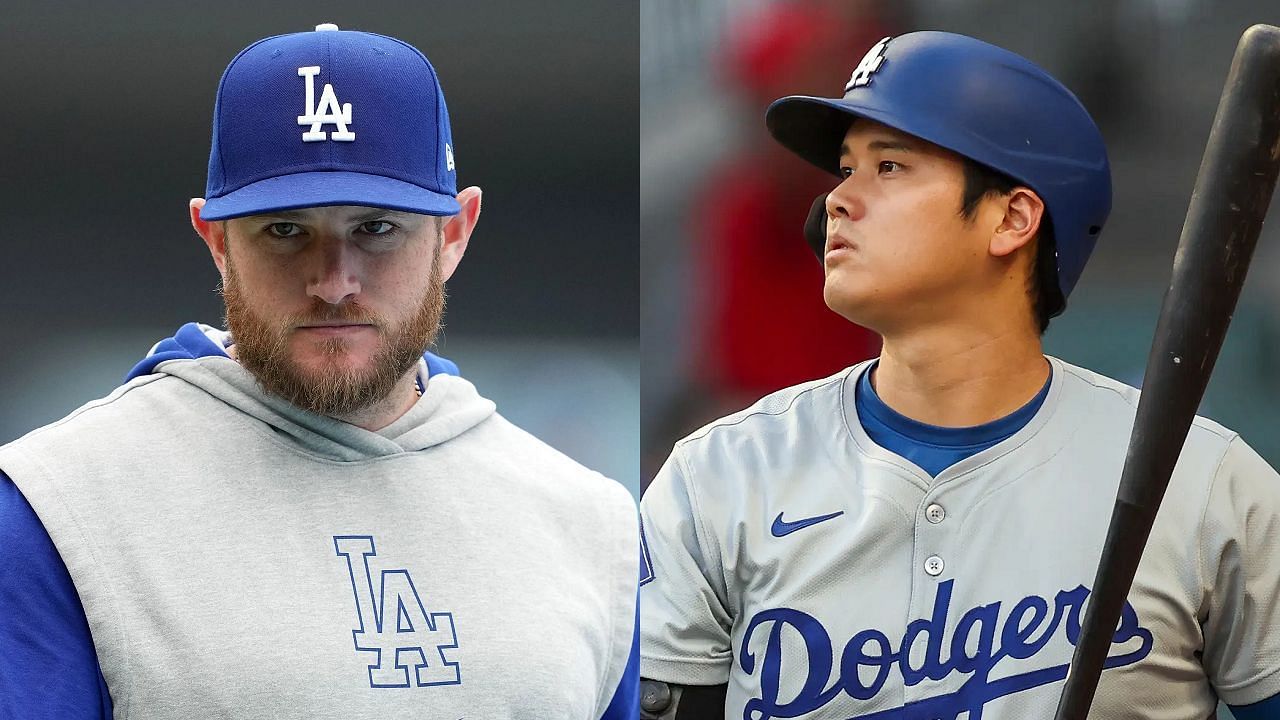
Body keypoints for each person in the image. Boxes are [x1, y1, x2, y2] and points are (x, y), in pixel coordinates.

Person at [0, 24, 638, 719]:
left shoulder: (591, 526)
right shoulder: (54, 510)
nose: (334, 282)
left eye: (376, 228)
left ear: (454, 233)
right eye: (284, 230)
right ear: (216, 241)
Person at [638, 31, 1280, 719]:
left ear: (1012, 217)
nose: (837, 202)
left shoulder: (1207, 486)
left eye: (888, 167)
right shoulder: (717, 476)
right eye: (844, 169)